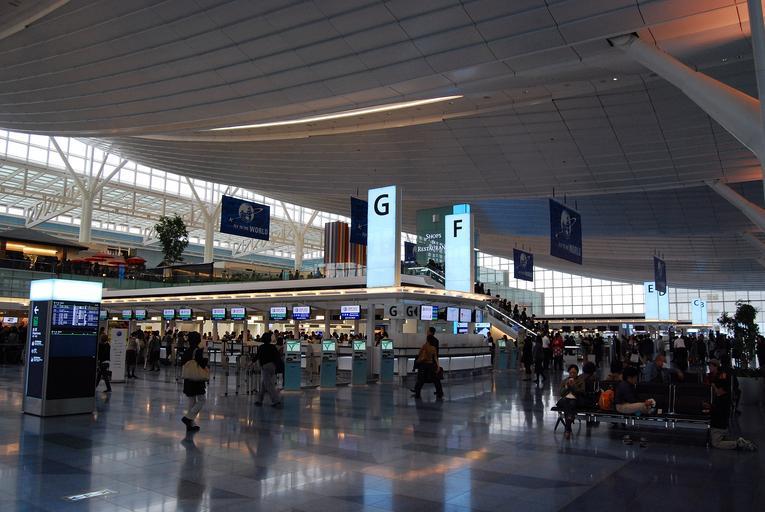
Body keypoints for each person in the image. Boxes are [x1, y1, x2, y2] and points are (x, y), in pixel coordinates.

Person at [703, 359, 757, 451]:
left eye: (711, 365)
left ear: (716, 366)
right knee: (720, 437)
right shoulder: (711, 376)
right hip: (718, 414)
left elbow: (720, 392)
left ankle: (738, 444)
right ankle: (738, 441)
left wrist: (713, 386)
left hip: (720, 414)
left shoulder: (722, 376)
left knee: (716, 443)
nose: (709, 367)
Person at [181, 332, 208, 432]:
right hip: (197, 379)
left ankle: (190, 425)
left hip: (188, 379)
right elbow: (203, 364)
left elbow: (182, 362)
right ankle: (188, 418)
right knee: (202, 400)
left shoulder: (187, 351)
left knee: (191, 401)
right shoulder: (199, 351)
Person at [255, 332, 282, 408]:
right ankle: (259, 400)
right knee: (264, 384)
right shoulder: (273, 347)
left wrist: (251, 362)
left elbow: (257, 356)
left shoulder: (261, 347)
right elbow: (277, 356)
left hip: (265, 367)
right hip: (272, 366)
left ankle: (276, 401)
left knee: (269, 385)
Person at [412, 335, 443, 400]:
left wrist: (418, 361)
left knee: (421, 380)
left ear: (427, 340)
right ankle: (440, 393)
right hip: (431, 365)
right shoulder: (433, 348)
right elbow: (435, 358)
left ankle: (417, 394)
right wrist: (438, 366)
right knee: (436, 380)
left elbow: (420, 354)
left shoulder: (424, 346)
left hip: (424, 365)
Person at [558, 365, 584, 439]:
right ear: (568, 372)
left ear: (577, 373)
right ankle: (570, 419)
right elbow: (561, 393)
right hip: (565, 400)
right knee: (568, 402)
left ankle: (567, 430)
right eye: (571, 372)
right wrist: (566, 387)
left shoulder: (581, 381)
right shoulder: (565, 381)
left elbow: (582, 392)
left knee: (571, 403)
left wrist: (573, 386)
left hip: (576, 399)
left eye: (574, 373)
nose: (572, 374)